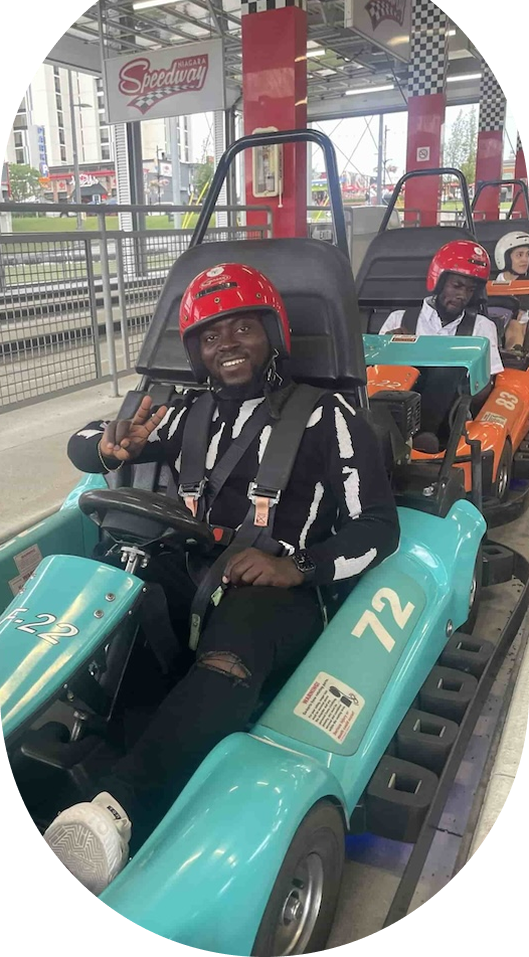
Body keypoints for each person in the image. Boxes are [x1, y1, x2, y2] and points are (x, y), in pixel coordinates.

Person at [44, 263, 400, 895]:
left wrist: (298, 567)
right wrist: (110, 447)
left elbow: (378, 525)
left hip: (281, 589)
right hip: (195, 568)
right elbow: (83, 443)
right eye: (210, 336)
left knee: (236, 640)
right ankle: (82, 730)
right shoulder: (188, 413)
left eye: (242, 329)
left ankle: (119, 807)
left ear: (273, 334)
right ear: (196, 353)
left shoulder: (329, 416)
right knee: (119, 579)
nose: (227, 344)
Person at [379, 241, 503, 453]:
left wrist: (466, 371)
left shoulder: (482, 327)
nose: (462, 295)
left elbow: (484, 389)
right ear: (439, 282)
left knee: (449, 367)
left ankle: (420, 438)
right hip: (397, 406)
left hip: (451, 415)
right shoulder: (399, 320)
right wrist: (391, 349)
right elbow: (375, 376)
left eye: (470, 290)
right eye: (457, 286)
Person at [492, 232, 529, 351]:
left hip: (523, 331)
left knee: (516, 324)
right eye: (519, 255)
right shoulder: (491, 284)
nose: (525, 259)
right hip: (495, 329)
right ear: (505, 258)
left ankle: (514, 354)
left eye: (528, 255)